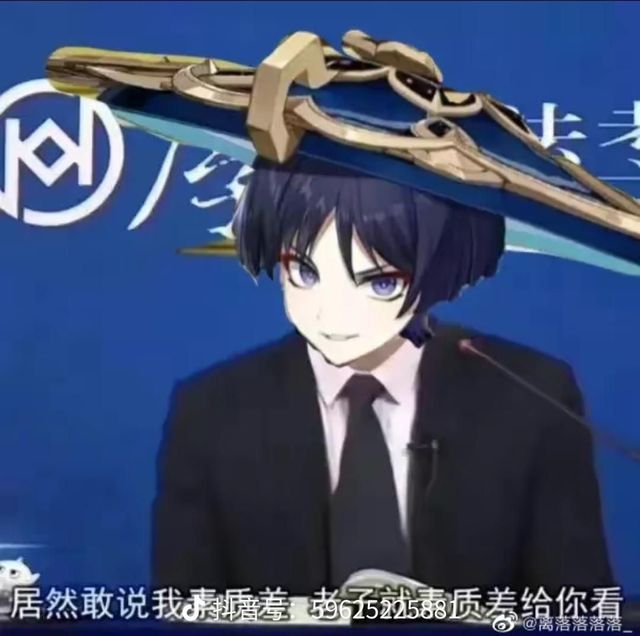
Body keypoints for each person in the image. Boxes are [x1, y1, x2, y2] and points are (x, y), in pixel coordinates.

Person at [151, 155, 614, 598]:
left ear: (440, 271)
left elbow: (578, 608)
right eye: (304, 272)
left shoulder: (531, 397)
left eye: (381, 282)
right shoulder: (211, 411)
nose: (331, 315)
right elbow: (182, 607)